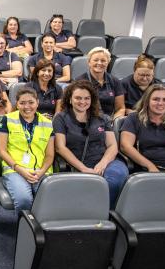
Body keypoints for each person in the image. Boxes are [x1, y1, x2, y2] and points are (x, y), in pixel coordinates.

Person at [53, 80, 128, 208]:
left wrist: (102, 164)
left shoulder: (102, 118)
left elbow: (112, 146)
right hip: (77, 163)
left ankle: (107, 213)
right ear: (70, 99)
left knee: (115, 179)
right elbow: (60, 148)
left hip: (105, 161)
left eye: (87, 98)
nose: (82, 102)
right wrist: (83, 168)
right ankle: (90, 212)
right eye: (78, 98)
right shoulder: (61, 118)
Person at [0, 88, 55, 212]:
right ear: (17, 104)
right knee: (24, 200)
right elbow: (2, 151)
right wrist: (20, 169)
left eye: (31, 102)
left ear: (37, 103)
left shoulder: (47, 123)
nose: (26, 106)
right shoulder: (7, 119)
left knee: (49, 199)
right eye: (22, 103)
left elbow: (50, 155)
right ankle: (24, 230)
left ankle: (42, 229)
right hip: (15, 169)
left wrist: (41, 172)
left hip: (41, 171)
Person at [74, 46, 125, 117]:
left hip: (109, 121)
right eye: (96, 60)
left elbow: (120, 108)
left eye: (103, 60)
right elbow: (76, 108)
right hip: (87, 120)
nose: (99, 63)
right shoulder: (79, 81)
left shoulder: (115, 81)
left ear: (108, 63)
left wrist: (113, 122)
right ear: (89, 62)